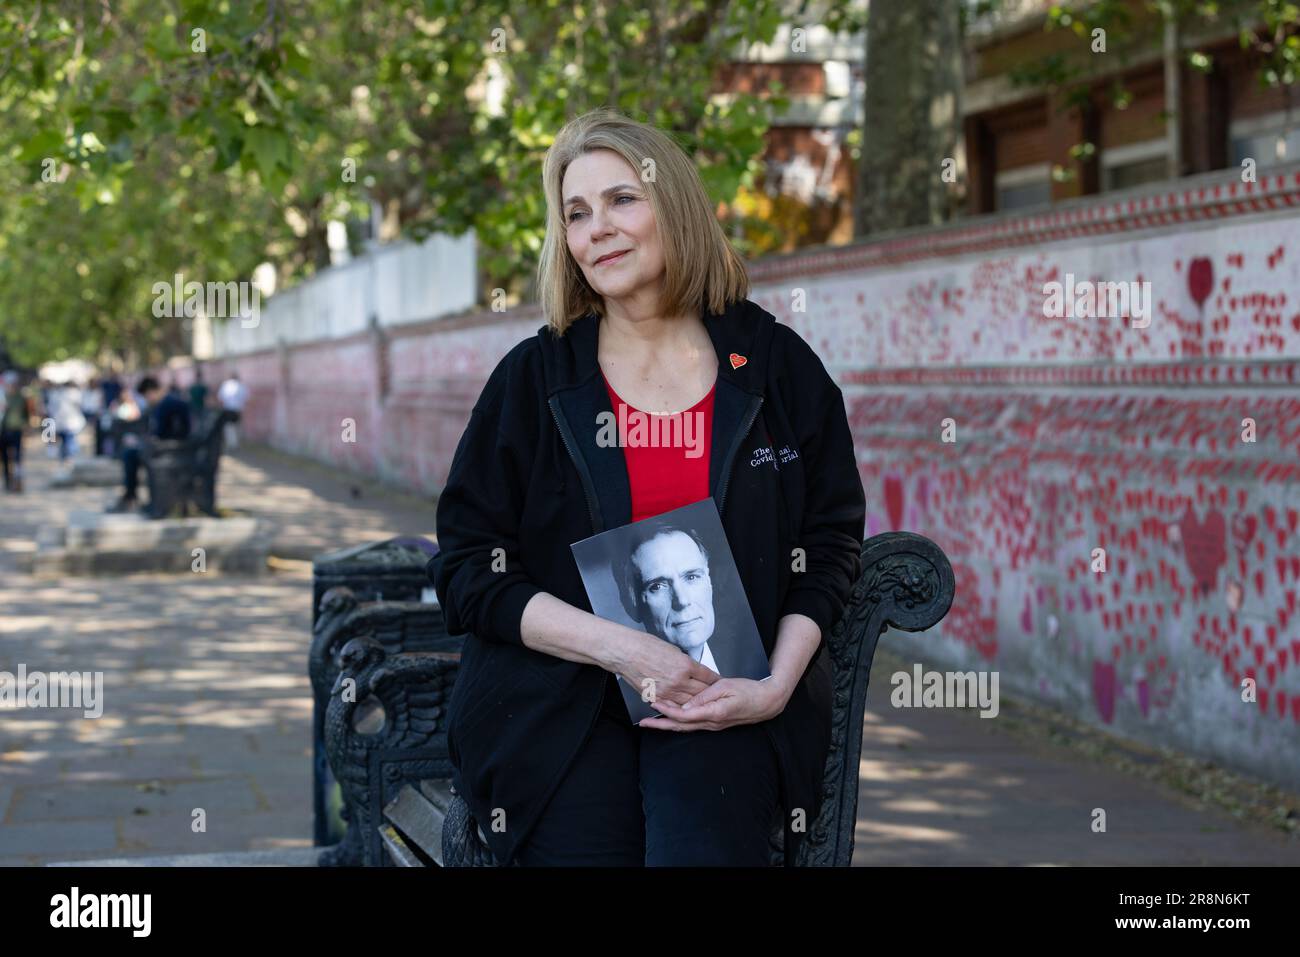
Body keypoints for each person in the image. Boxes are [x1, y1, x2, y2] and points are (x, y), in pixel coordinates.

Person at [432, 109, 865, 868]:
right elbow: (470, 568)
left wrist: (772, 687)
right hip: (559, 706)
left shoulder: (773, 366)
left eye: (622, 200)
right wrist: (622, 650)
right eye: (576, 212)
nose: (597, 228)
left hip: (725, 701)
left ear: (677, 207)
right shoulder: (534, 381)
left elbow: (829, 545)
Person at [110, 376, 191, 512]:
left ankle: (130, 496)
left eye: (147, 396)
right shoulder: (164, 403)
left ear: (152, 391)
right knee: (130, 452)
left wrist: (147, 441)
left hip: (171, 450)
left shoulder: (168, 404)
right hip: (166, 447)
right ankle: (130, 495)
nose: (147, 400)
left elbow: (169, 432)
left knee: (130, 454)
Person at [1, 371, 34, 493]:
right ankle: (7, 482)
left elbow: (28, 413)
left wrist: (28, 426)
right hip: (4, 431)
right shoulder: (3, 396)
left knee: (17, 457)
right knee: (5, 458)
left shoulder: (22, 397)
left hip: (16, 431)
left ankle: (18, 481)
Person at [216, 371, 248, 450]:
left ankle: (232, 444)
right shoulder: (241, 385)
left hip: (228, 409)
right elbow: (246, 398)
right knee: (236, 426)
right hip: (237, 409)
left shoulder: (226, 385)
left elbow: (220, 398)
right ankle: (236, 443)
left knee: (229, 427)